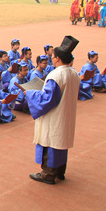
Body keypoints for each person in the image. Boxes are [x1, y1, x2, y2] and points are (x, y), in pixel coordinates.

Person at [24, 36, 80, 185]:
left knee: (51, 141)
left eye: (53, 57)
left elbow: (47, 100)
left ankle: (48, 174)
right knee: (62, 142)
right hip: (67, 114)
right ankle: (60, 171)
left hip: (55, 116)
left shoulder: (56, 75)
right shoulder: (73, 73)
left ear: (57, 59)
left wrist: (30, 93)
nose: (52, 59)